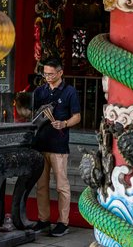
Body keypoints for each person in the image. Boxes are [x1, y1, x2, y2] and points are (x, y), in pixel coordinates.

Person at [31, 57, 81, 237]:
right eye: (45, 74)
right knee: (41, 186)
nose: (47, 77)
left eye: (51, 74)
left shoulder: (69, 92)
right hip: (40, 144)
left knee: (62, 186)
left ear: (60, 73)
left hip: (59, 146)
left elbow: (77, 116)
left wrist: (64, 123)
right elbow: (31, 114)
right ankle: (43, 220)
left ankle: (63, 222)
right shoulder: (39, 91)